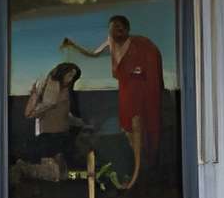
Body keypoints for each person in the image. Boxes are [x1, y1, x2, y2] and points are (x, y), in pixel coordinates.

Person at [60, 14, 164, 184]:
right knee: (128, 129)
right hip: (125, 92)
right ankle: (138, 171)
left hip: (139, 92)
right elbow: (93, 54)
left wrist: (138, 73)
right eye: (113, 28)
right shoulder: (111, 42)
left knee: (139, 127)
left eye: (119, 27)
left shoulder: (139, 45)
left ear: (127, 29)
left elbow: (144, 67)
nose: (116, 31)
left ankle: (140, 172)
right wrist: (73, 46)